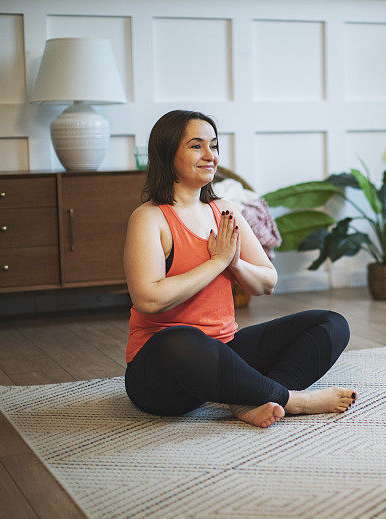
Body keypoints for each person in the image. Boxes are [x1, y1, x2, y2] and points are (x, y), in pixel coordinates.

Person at [123, 110, 356, 428]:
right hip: (165, 373)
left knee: (331, 324)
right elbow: (148, 299)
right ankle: (292, 400)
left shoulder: (226, 211)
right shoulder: (150, 217)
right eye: (196, 146)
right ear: (167, 152)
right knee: (180, 340)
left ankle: (252, 400)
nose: (210, 155)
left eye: (214, 146)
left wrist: (234, 263)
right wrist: (216, 263)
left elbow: (268, 282)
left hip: (225, 353)